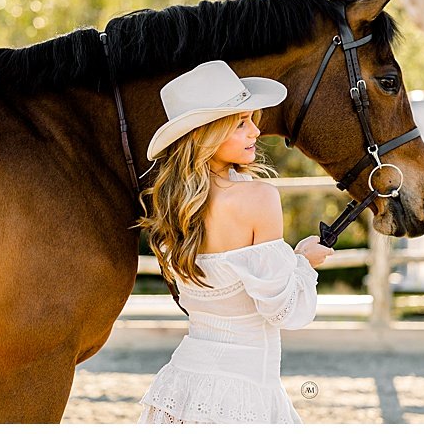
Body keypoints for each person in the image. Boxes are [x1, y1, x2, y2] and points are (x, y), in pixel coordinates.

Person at [134, 60, 333, 423]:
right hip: (244, 392)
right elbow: (283, 311)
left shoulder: (174, 205)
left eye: (252, 119)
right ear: (205, 134)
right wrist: (304, 263)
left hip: (180, 387)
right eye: (240, 123)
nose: (255, 131)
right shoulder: (258, 198)